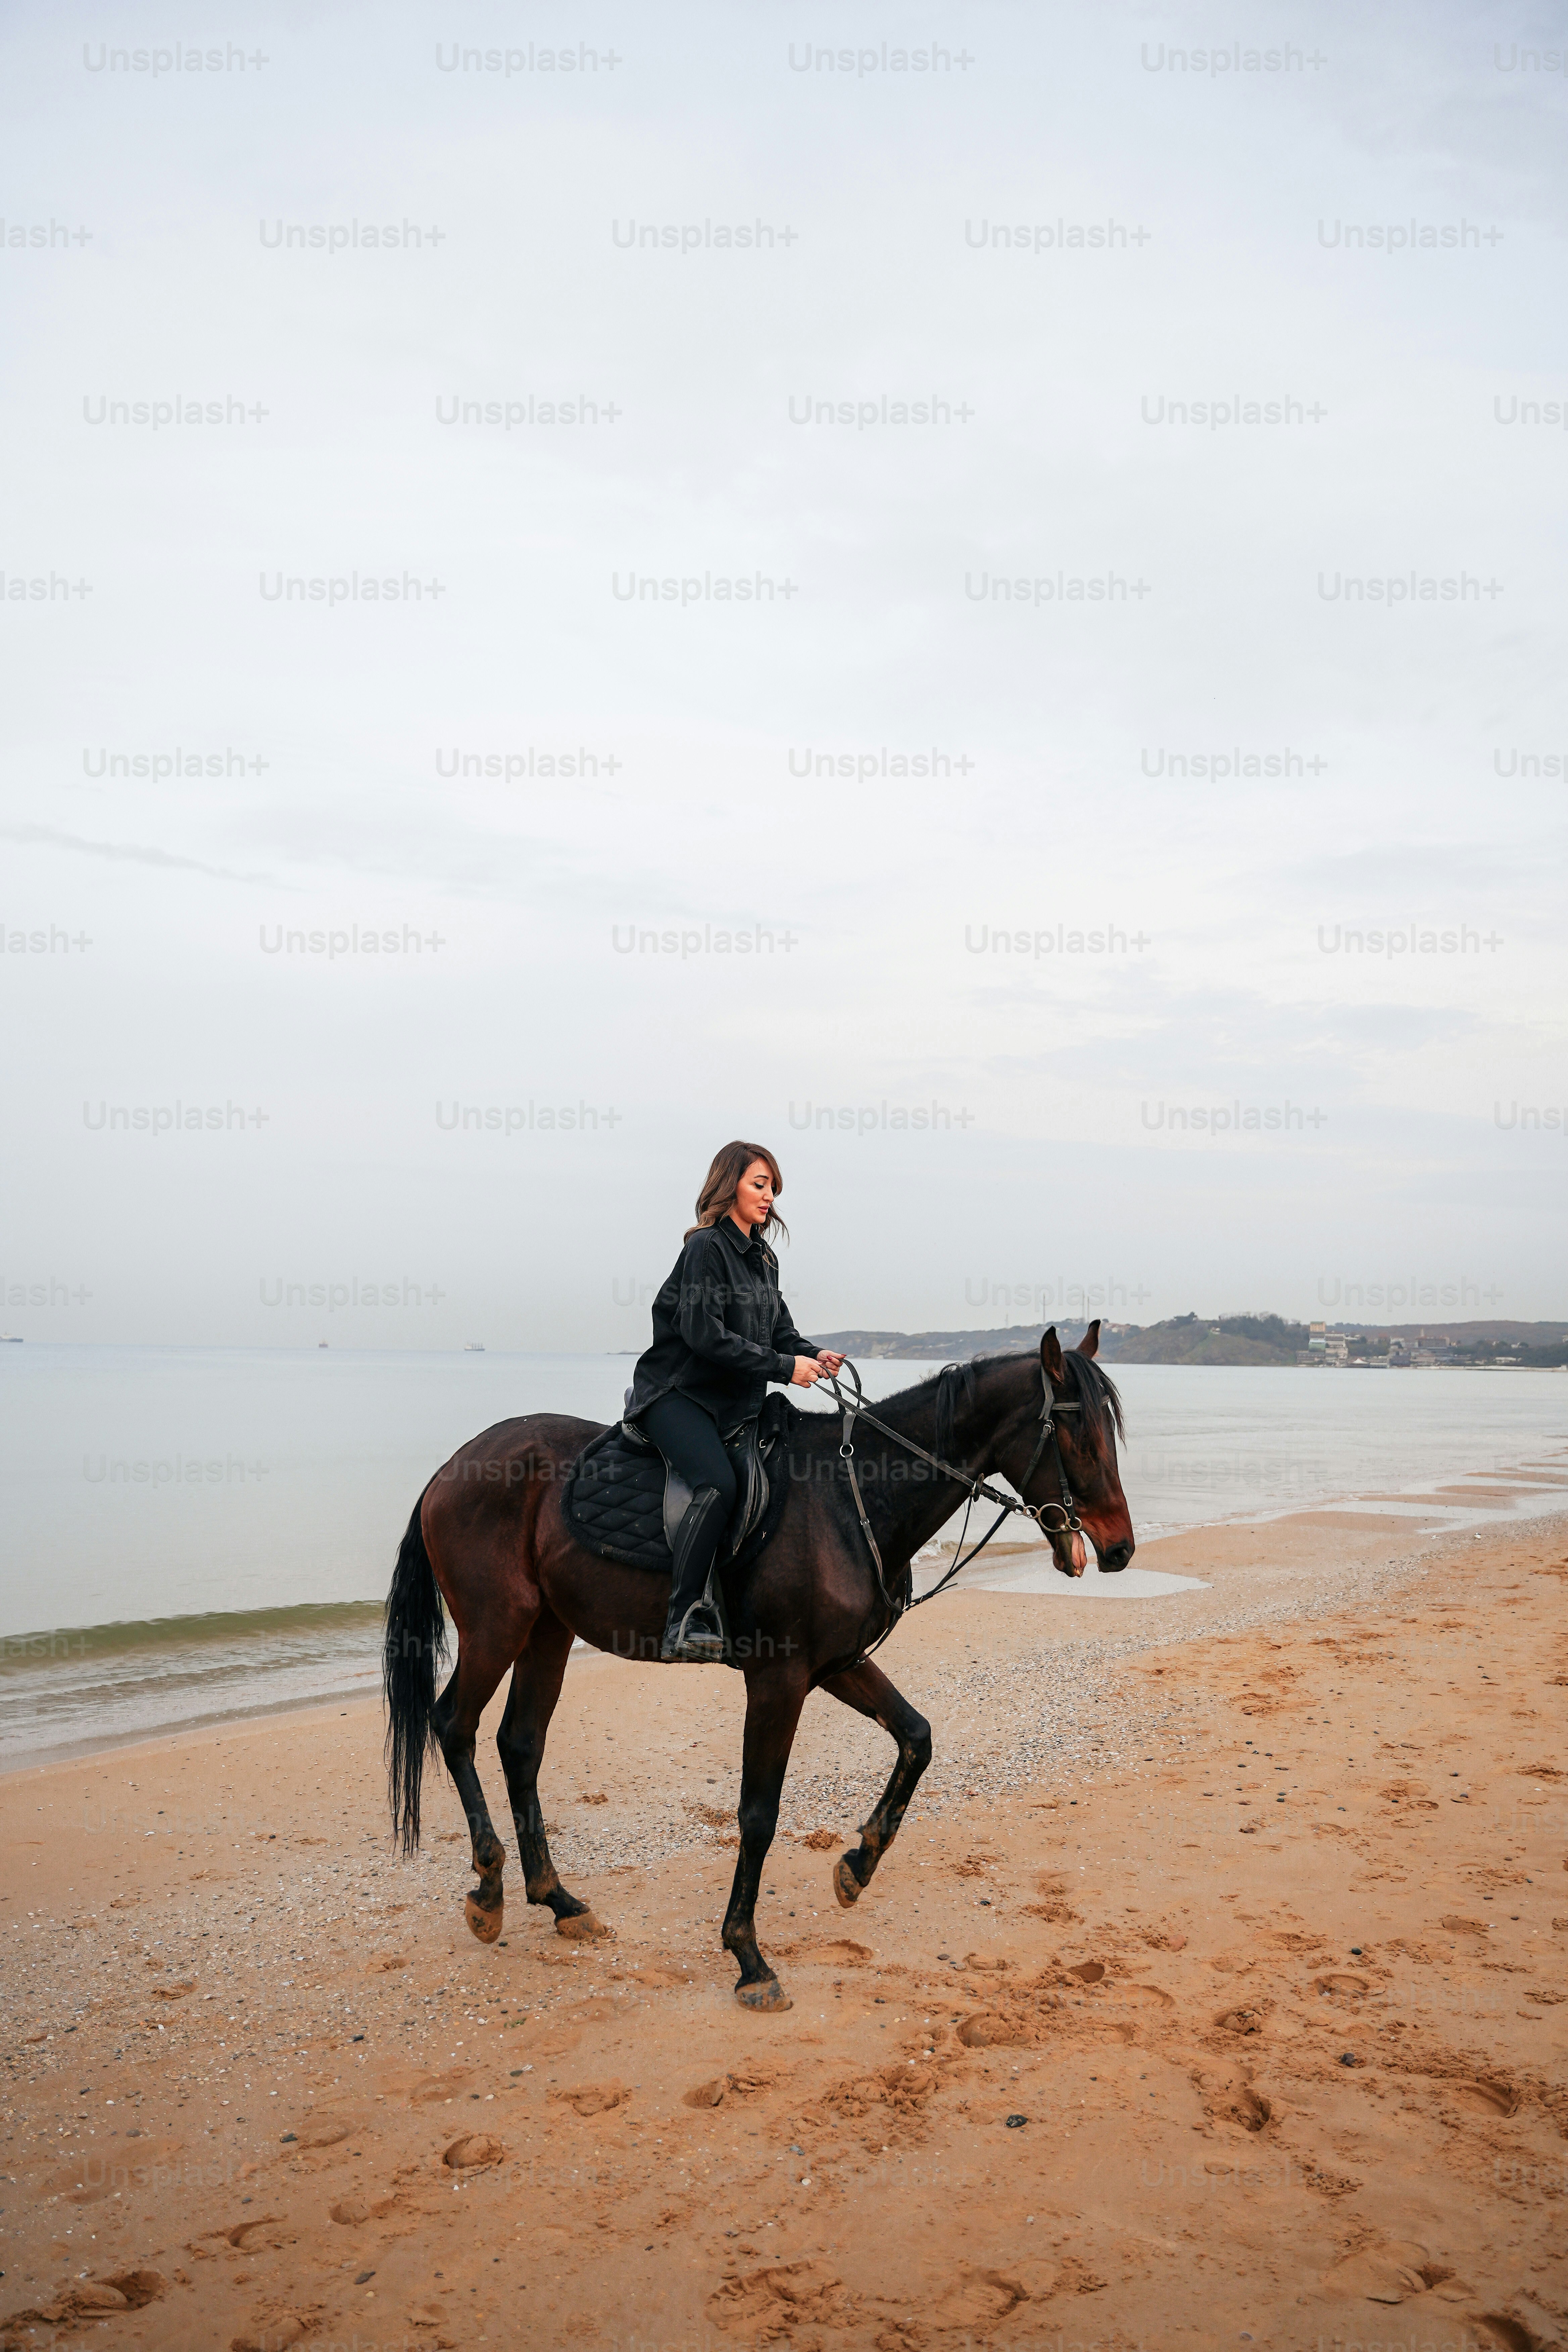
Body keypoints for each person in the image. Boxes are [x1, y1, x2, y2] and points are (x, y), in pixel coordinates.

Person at [624, 1142, 844, 1662]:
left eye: (773, 1187)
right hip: (678, 1395)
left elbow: (781, 1332)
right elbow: (703, 1334)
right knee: (718, 1484)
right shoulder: (705, 1249)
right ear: (730, 1185)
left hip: (732, 1405)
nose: (769, 1196)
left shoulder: (763, 1259)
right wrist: (784, 1368)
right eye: (759, 1184)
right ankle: (684, 1616)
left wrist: (813, 1354)